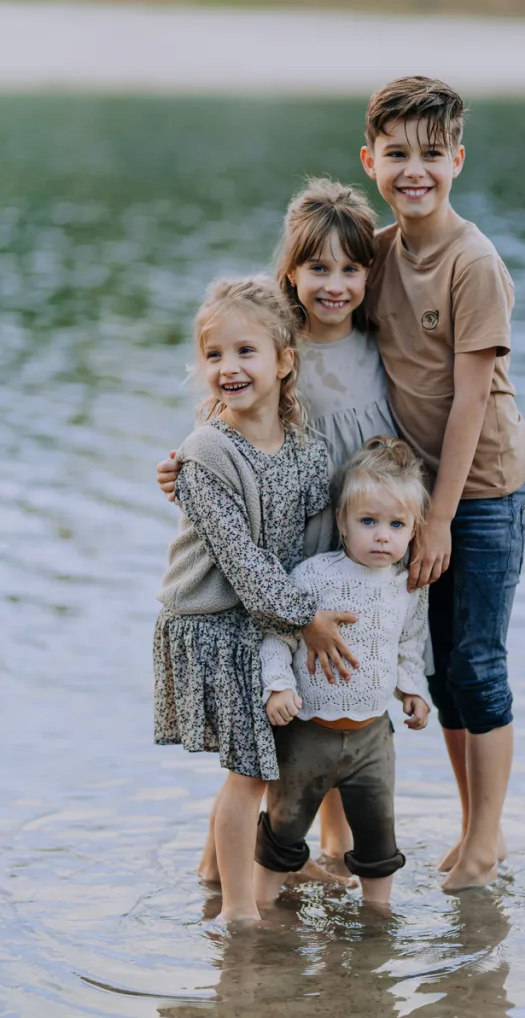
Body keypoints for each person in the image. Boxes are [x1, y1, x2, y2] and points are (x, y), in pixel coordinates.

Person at [157, 179, 402, 877]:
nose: (333, 284)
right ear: (289, 273)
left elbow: (429, 401)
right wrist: (179, 470)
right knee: (273, 724)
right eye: (316, 268)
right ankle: (222, 877)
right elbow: (223, 431)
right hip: (285, 558)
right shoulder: (272, 344)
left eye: (350, 269)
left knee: (330, 700)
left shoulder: (377, 343)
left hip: (352, 545)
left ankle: (326, 850)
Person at [360, 76, 525, 890]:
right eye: (397, 154)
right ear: (371, 161)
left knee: (476, 661)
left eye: (432, 154)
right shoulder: (381, 250)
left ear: (457, 159)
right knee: (438, 672)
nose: (414, 170)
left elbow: (468, 400)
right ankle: (472, 830)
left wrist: (438, 521)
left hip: (485, 488)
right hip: (422, 496)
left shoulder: (474, 262)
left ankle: (487, 839)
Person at [153, 275, 357, 924]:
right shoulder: (207, 451)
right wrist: (305, 620)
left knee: (253, 767)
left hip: (264, 621)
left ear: (282, 362)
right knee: (250, 773)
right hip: (212, 623)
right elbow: (242, 563)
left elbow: (315, 536)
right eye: (214, 356)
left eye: (246, 352)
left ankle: (212, 876)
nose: (229, 368)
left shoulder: (304, 448)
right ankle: (239, 917)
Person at [254, 436, 431, 908]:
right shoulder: (315, 576)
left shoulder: (405, 585)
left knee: (377, 830)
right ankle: (263, 908)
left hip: (373, 735)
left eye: (396, 525)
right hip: (309, 730)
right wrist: (279, 687)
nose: (381, 536)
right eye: (368, 522)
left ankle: (379, 914)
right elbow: (279, 633)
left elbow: (409, 640)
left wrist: (412, 689)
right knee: (285, 824)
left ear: (414, 530)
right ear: (342, 522)